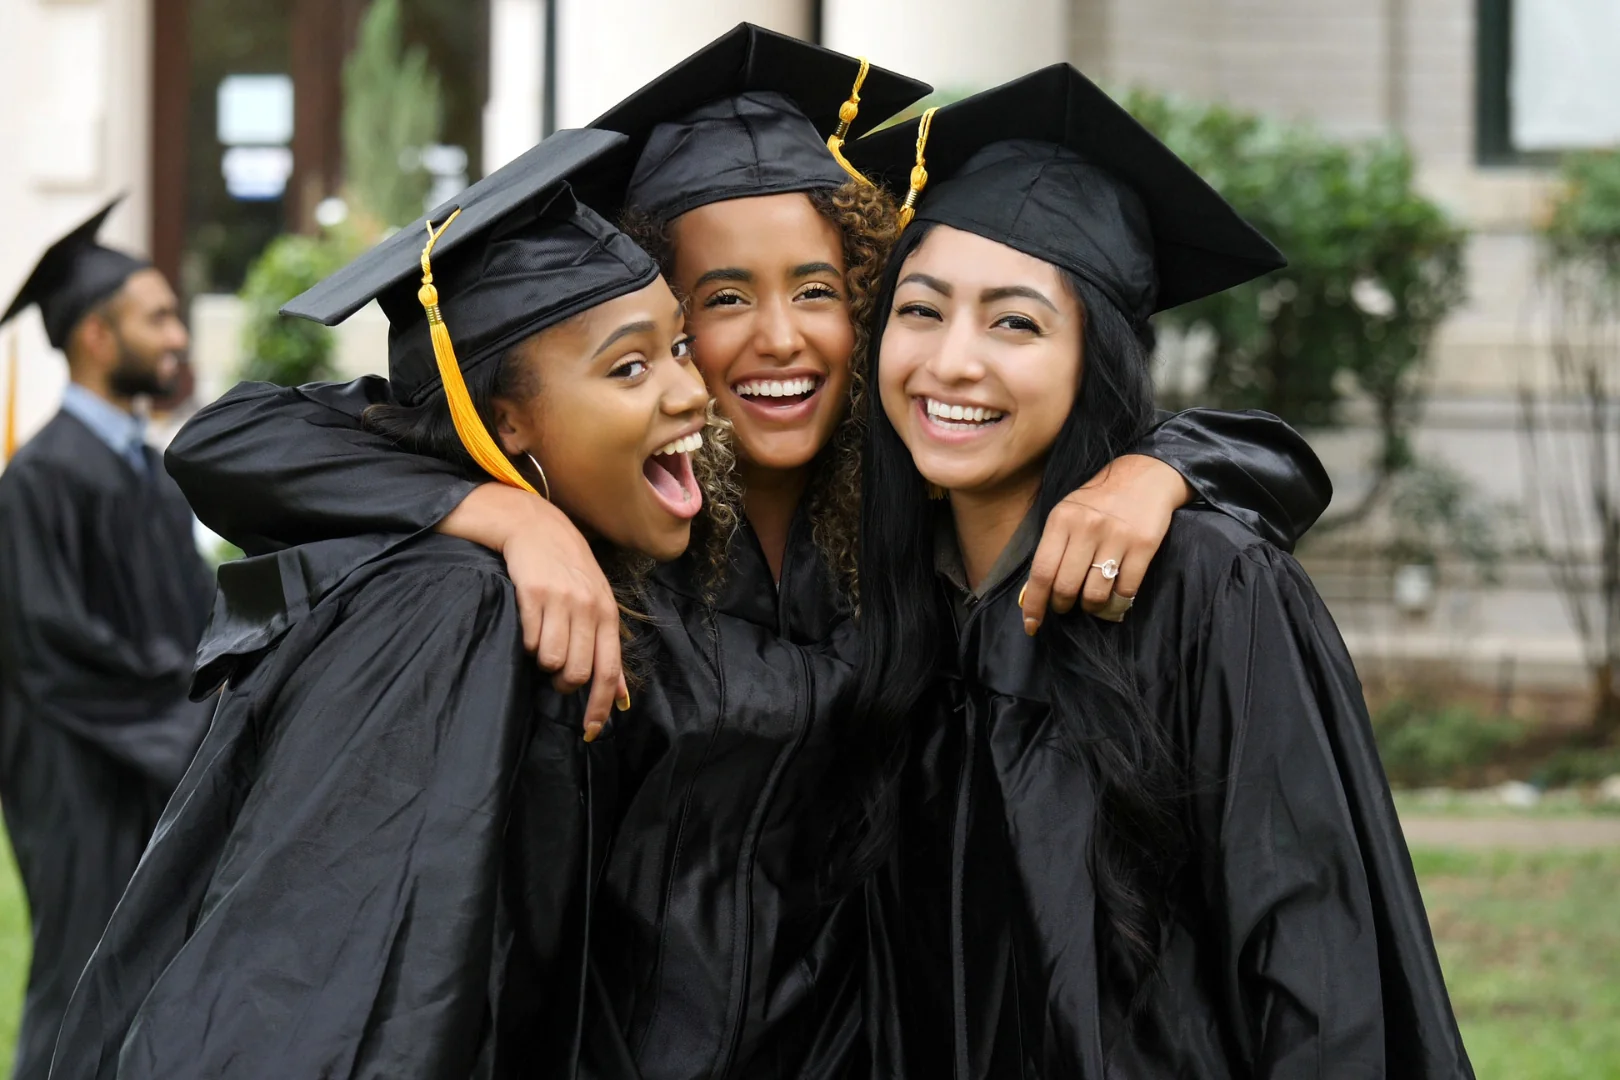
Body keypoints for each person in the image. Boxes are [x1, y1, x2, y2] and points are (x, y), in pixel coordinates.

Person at [154, 28, 1331, 1078]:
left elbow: (1212, 451)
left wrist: (1160, 467)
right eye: (720, 299)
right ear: (658, 321)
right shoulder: (611, 520)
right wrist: (510, 518)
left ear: (863, 300)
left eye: (818, 290)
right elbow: (238, 439)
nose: (782, 338)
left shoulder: (901, 505)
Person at [844, 66, 1475, 1078]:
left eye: (1015, 322)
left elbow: (1314, 963)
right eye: (921, 310)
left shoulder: (1206, 586)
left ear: (1096, 356)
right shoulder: (884, 598)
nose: (952, 362)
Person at [51, 128, 722, 1078]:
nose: (694, 391)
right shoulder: (454, 610)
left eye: (680, 347)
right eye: (631, 366)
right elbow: (338, 1003)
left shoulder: (560, 565)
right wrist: (502, 515)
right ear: (501, 423)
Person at [0, 198, 215, 1080]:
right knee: (80, 982)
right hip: (79, 771)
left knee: (160, 979)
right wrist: (182, 709)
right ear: (95, 334)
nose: (177, 337)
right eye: (158, 317)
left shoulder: (148, 472)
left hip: (155, 757)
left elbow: (203, 614)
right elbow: (51, 647)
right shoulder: (40, 479)